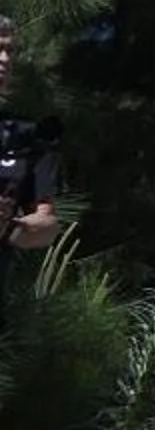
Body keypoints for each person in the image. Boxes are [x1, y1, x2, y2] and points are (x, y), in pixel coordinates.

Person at [0, 17, 63, 253]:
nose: (4, 59)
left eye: (9, 51)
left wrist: (9, 228)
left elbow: (48, 225)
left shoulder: (28, 136)